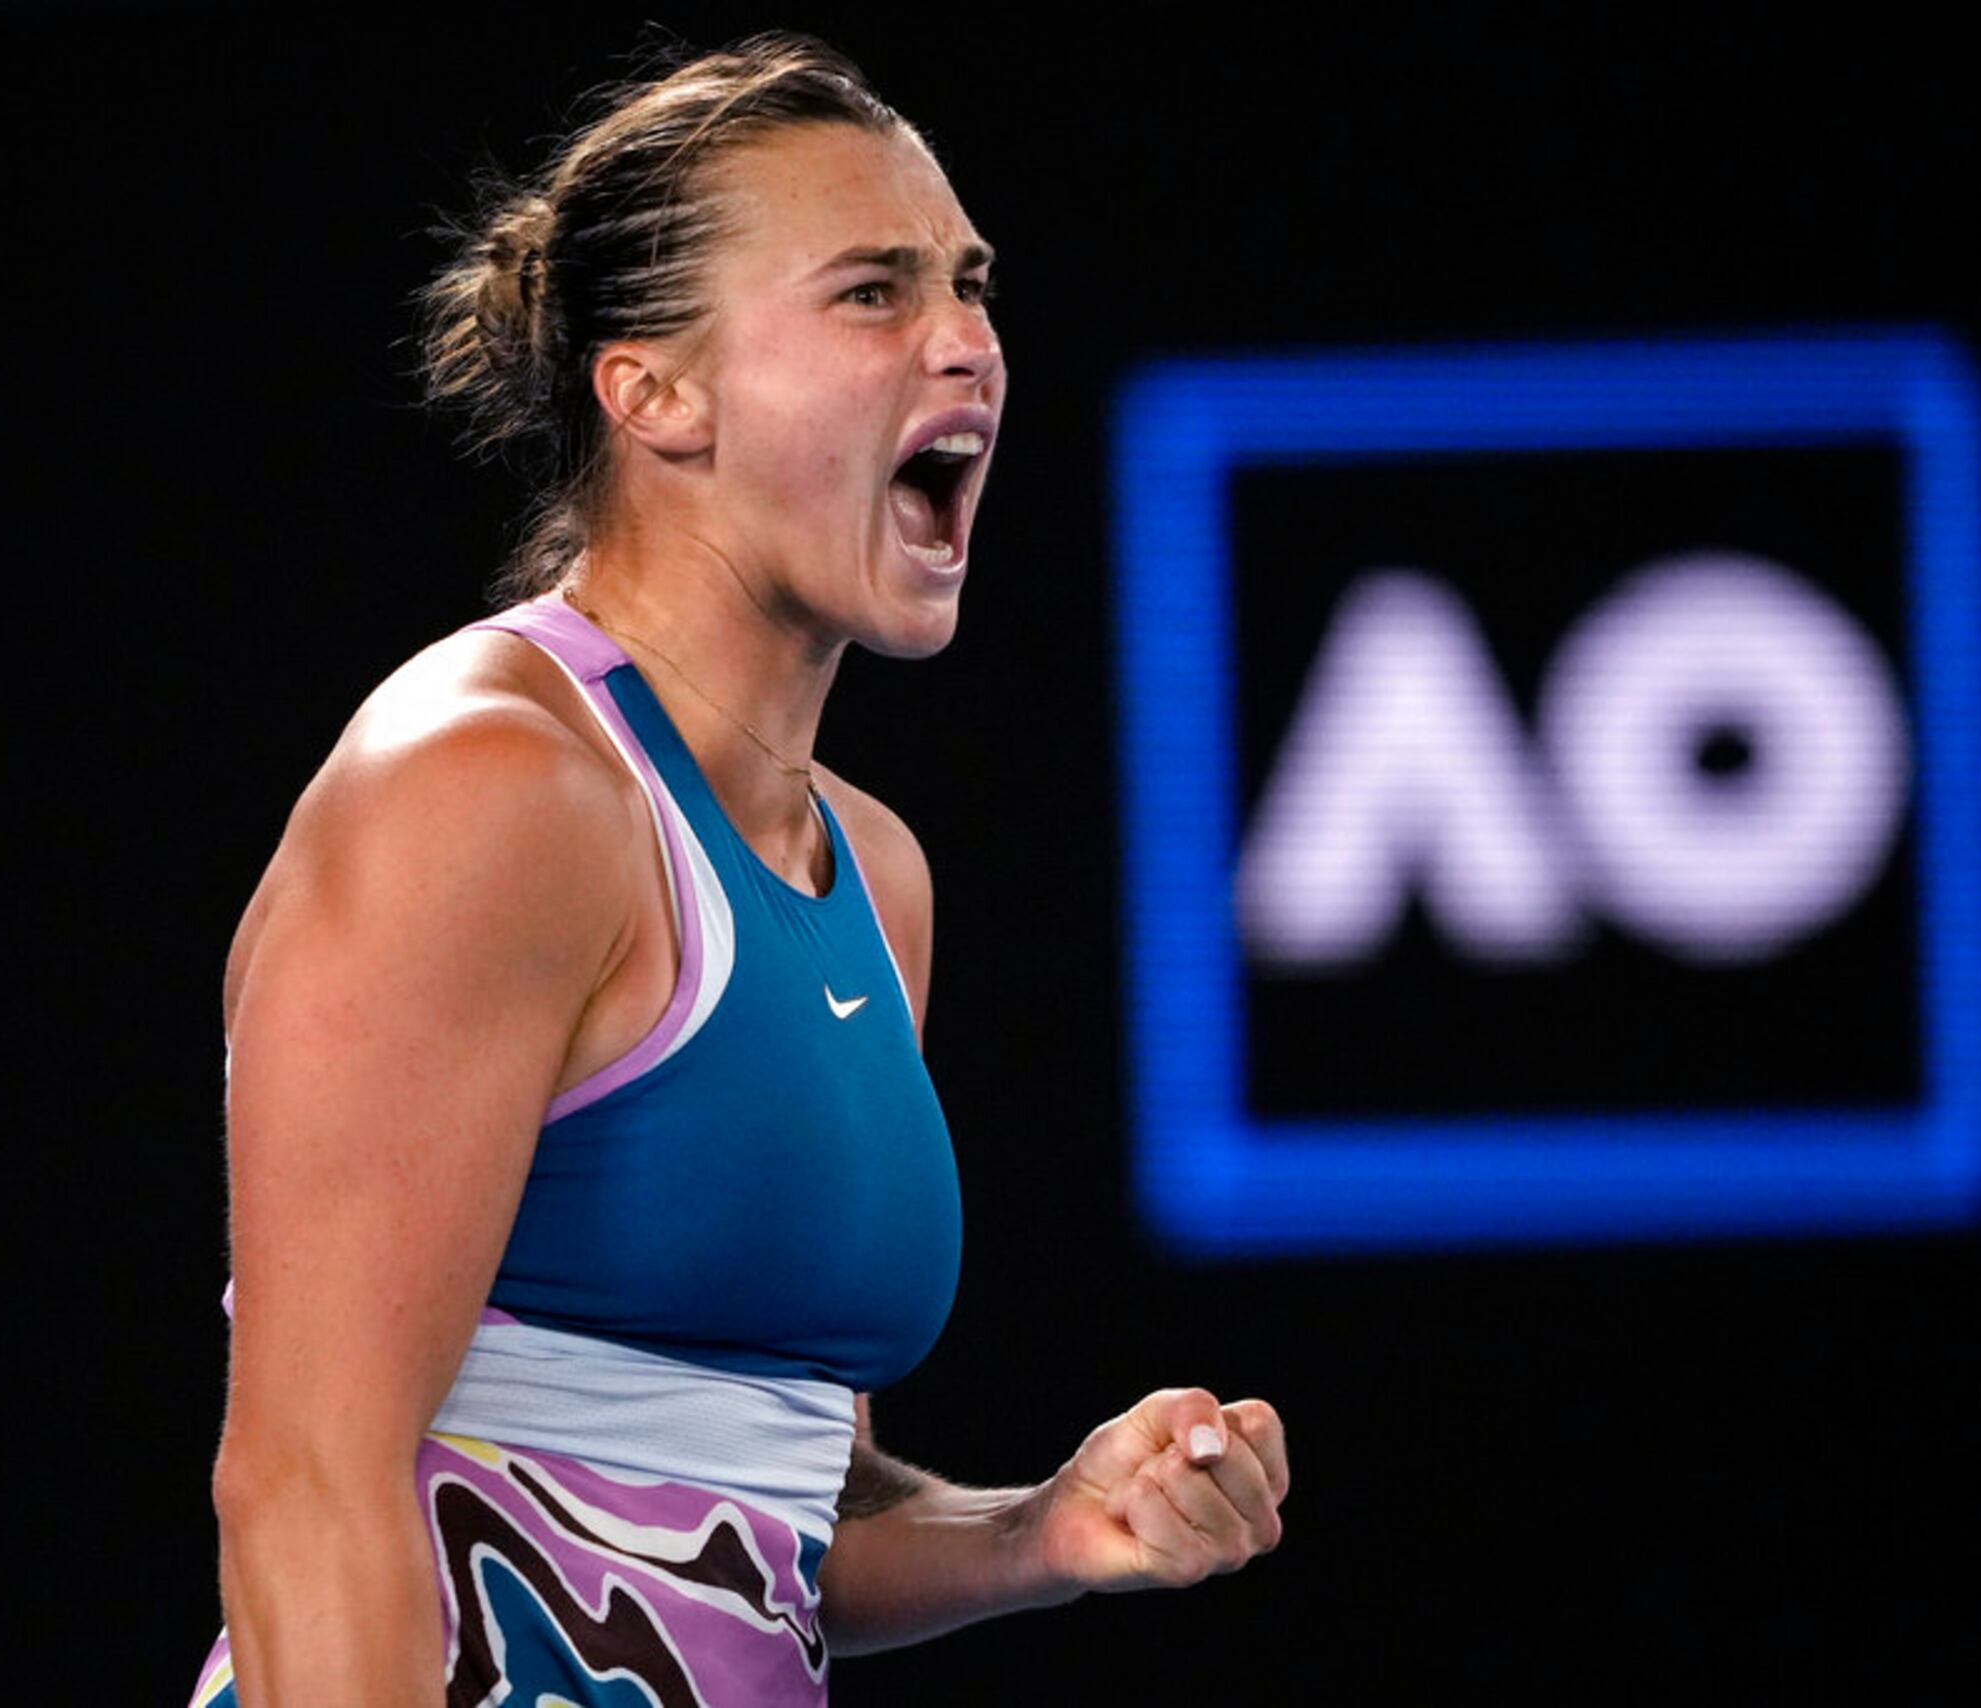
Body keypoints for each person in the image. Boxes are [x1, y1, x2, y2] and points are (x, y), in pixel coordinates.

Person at [192, 35, 1287, 1708]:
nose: (968, 340)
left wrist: (1040, 1531)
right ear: (656, 394)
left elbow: (783, 1525)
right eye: (872, 291)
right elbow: (303, 1483)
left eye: (971, 285)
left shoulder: (876, 875)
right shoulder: (489, 789)